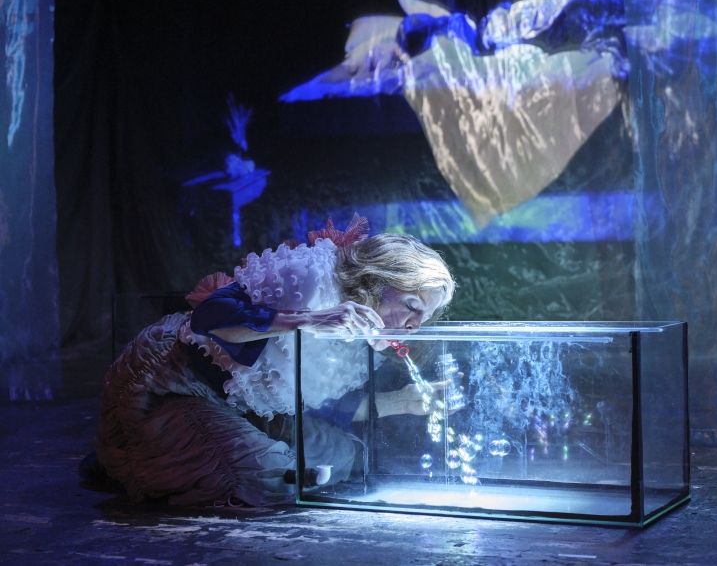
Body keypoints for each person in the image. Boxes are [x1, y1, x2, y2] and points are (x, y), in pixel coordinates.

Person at [90, 216, 455, 507]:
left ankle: (191, 453)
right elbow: (207, 318)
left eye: (423, 318)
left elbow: (324, 405)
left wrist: (402, 401)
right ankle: (138, 454)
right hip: (180, 385)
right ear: (377, 281)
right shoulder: (310, 277)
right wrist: (310, 319)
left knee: (344, 454)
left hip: (250, 408)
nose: (413, 326)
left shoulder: (364, 336)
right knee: (254, 475)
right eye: (411, 305)